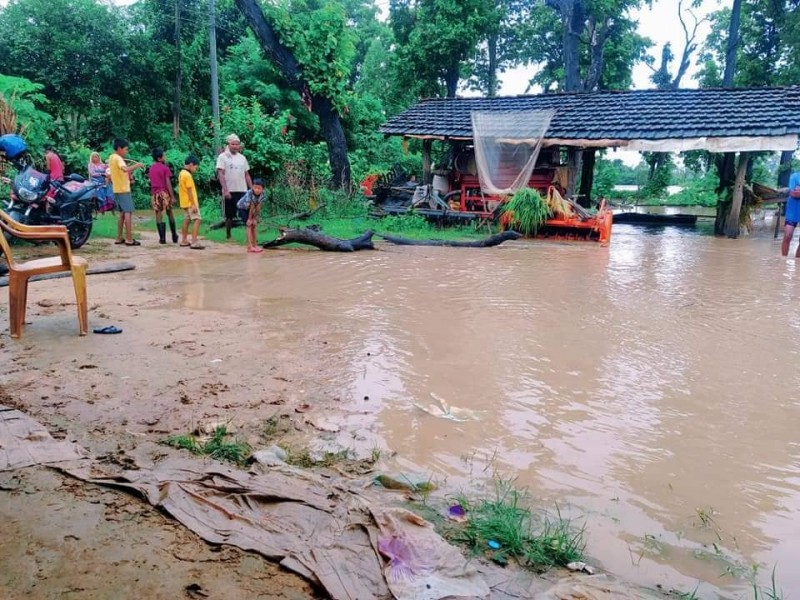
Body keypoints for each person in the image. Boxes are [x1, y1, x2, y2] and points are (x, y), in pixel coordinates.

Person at [109, 138, 144, 246]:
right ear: (119, 149)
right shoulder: (118, 158)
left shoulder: (111, 157)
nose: (126, 151)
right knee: (128, 212)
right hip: (123, 189)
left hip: (117, 189)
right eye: (126, 149)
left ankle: (119, 237)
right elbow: (125, 169)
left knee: (123, 214)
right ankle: (129, 239)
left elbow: (122, 171)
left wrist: (130, 169)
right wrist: (138, 165)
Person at [215, 133, 251, 240]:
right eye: (233, 144)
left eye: (237, 144)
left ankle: (249, 236)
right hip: (230, 190)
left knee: (245, 213)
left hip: (242, 190)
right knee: (229, 215)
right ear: (228, 144)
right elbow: (220, 174)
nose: (235, 146)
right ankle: (228, 235)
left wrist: (251, 189)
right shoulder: (222, 157)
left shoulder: (242, 158)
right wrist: (225, 190)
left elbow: (246, 174)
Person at [148, 148, 179, 244]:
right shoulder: (165, 168)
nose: (165, 157)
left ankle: (162, 238)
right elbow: (168, 183)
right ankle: (174, 235)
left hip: (155, 193)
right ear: (159, 158)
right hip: (164, 192)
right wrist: (172, 196)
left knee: (158, 213)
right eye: (164, 156)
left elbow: (151, 181)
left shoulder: (151, 168)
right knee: (169, 212)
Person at [179, 155, 204, 250]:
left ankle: (184, 240)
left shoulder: (182, 173)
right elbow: (189, 190)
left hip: (184, 202)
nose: (196, 169)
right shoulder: (188, 175)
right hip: (190, 203)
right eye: (196, 167)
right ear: (191, 164)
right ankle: (194, 241)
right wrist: (193, 204)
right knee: (197, 219)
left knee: (187, 219)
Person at [237, 178, 266, 253]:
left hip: (250, 209)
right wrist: (250, 219)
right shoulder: (250, 193)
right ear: (253, 187)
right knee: (249, 225)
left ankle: (255, 245)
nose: (256, 190)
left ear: (263, 189)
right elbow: (252, 206)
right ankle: (249, 247)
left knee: (254, 225)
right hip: (242, 208)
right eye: (255, 187)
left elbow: (258, 207)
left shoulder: (263, 195)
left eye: (259, 188)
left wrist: (255, 218)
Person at [782, 169, 800, 257]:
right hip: (793, 211)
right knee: (787, 236)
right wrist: (796, 192)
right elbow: (793, 194)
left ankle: (797, 262)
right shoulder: (794, 176)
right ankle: (783, 261)